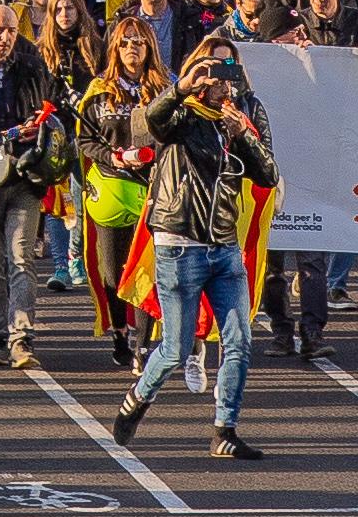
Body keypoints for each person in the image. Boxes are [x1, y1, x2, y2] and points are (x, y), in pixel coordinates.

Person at [106, 50, 270, 462]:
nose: (222, 85)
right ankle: (138, 398)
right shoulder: (182, 116)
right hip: (180, 245)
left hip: (224, 246)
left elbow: (267, 173)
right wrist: (181, 87)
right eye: (214, 74)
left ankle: (224, 431)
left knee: (239, 342)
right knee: (176, 349)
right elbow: (147, 122)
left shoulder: (240, 117)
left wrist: (243, 134)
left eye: (228, 74)